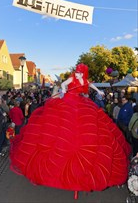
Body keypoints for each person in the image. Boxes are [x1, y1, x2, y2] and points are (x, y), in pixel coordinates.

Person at [10, 63, 131, 198]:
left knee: (88, 128)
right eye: (77, 72)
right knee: (61, 127)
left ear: (84, 73)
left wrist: (99, 91)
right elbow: (63, 84)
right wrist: (63, 90)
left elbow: (91, 86)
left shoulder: (84, 81)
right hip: (68, 101)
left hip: (81, 104)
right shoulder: (72, 79)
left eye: (80, 72)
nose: (78, 74)